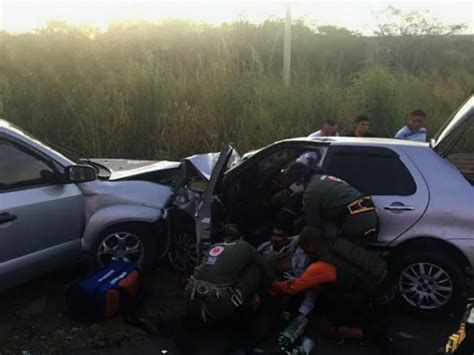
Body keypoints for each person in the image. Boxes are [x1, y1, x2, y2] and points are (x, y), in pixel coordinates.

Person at [271, 226, 388, 342]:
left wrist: (274, 284)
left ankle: (370, 334)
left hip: (368, 295)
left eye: (304, 250)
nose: (304, 253)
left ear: (310, 246)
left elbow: (293, 288)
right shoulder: (339, 242)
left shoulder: (321, 266)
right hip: (383, 278)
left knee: (324, 327)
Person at [185, 224, 274, 324]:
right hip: (218, 306)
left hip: (192, 298)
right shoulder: (245, 246)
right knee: (255, 269)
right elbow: (265, 266)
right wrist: (273, 283)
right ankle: (250, 304)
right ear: (241, 237)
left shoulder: (213, 247)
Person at [285, 162, 378, 243]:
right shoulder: (322, 178)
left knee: (329, 245)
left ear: (301, 178)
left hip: (357, 220)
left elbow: (313, 227)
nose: (293, 186)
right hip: (367, 213)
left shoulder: (311, 192)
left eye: (294, 182)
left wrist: (298, 239)